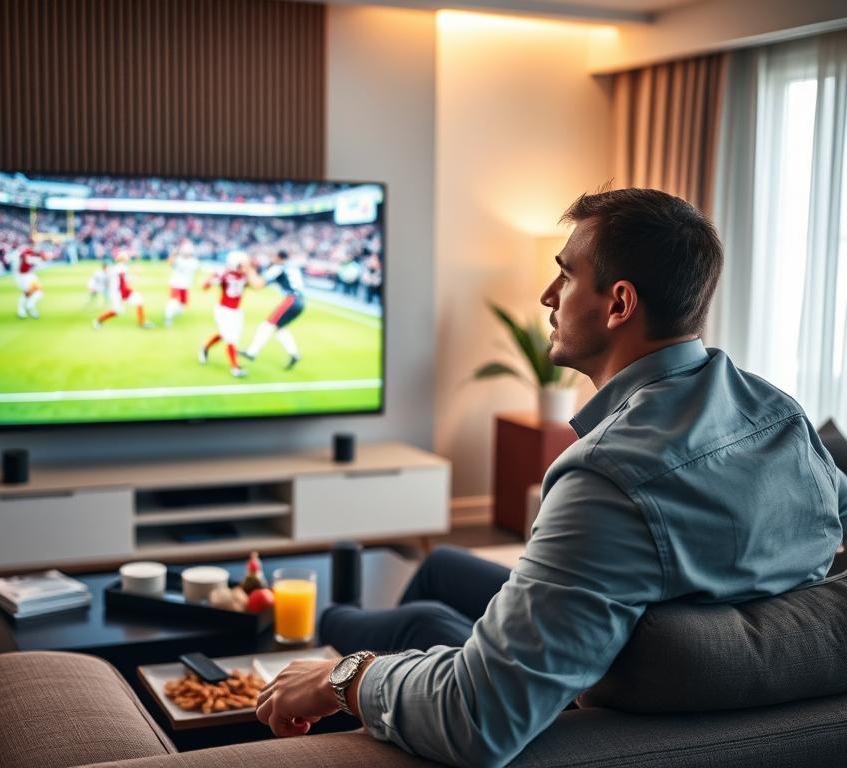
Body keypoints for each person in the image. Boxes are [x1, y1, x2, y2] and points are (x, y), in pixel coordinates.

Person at [253, 189, 847, 766]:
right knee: (441, 566)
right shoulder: (779, 414)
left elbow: (477, 715)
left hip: (595, 695)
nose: (547, 295)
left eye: (565, 274)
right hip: (676, 648)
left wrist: (343, 676)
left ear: (619, 304)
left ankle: (293, 632)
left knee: (406, 624)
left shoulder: (609, 477)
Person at [198, 250, 260, 378]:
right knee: (231, 339)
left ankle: (205, 347)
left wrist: (251, 272)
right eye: (244, 263)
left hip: (237, 311)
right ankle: (235, 367)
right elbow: (204, 287)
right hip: (224, 310)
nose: (246, 265)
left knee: (225, 335)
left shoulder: (244, 275)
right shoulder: (224, 274)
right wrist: (211, 277)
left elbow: (256, 286)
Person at [240, 249, 305, 370]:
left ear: (278, 257)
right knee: (279, 328)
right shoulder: (292, 267)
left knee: (267, 325)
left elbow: (258, 285)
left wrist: (249, 270)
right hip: (300, 302)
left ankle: (251, 353)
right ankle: (294, 354)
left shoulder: (278, 267)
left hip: (291, 300)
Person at [163, 239, 202, 327]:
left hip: (185, 286)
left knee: (183, 306)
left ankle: (171, 315)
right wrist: (173, 254)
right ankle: (168, 318)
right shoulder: (178, 259)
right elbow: (169, 262)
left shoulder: (194, 262)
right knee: (172, 302)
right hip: (176, 285)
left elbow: (197, 271)